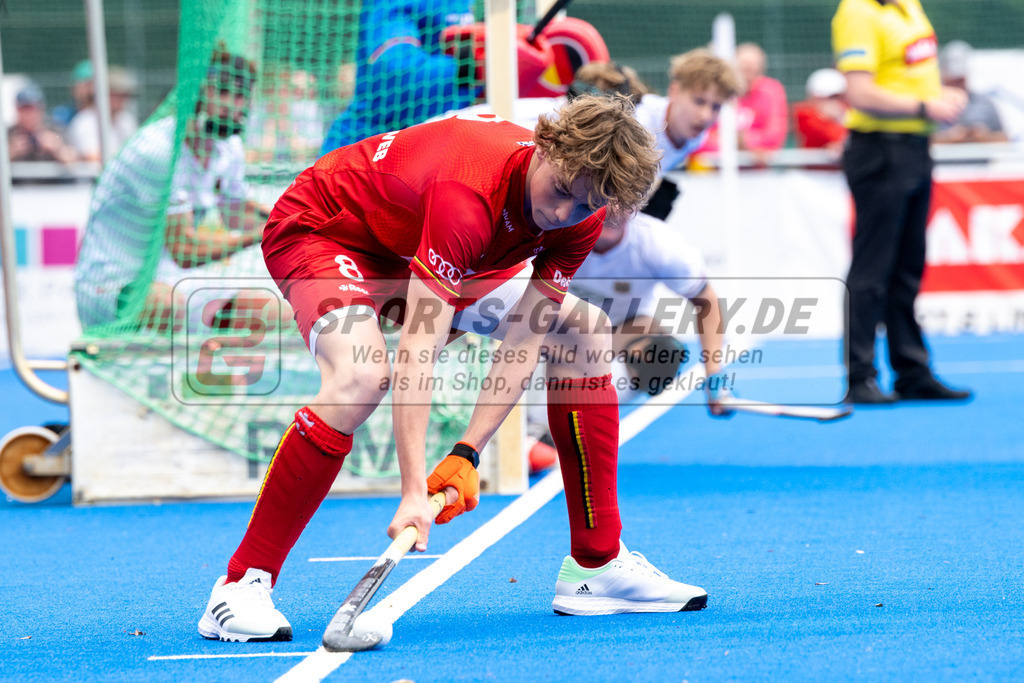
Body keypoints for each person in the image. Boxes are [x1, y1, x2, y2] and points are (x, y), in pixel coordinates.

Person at [198, 94, 710, 643]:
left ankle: (596, 566)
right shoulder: (467, 194)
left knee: (581, 328)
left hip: (412, 244)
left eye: (583, 207)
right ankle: (239, 585)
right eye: (561, 192)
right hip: (325, 232)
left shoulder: (581, 214)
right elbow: (419, 349)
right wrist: (414, 490)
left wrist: (467, 452)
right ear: (547, 147)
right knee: (360, 376)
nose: (564, 215)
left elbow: (523, 340)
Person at [832, 0, 972, 403]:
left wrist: (938, 95)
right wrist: (927, 105)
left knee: (907, 267)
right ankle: (860, 376)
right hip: (879, 150)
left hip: (915, 147)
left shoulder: (909, 5)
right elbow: (859, 92)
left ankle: (911, 369)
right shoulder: (858, 11)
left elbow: (907, 75)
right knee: (872, 269)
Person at [74, 49, 271, 333]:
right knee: (167, 306)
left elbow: (236, 214)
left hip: (170, 279)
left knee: (272, 312)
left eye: (240, 96)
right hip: (110, 284)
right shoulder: (160, 150)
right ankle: (177, 376)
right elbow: (184, 250)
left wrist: (295, 218)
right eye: (222, 92)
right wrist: (261, 234)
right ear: (198, 94)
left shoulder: (228, 146)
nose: (232, 105)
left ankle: (221, 375)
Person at [697, 42, 788, 161]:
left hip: (758, 170)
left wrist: (745, 140)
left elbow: (774, 136)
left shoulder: (772, 91)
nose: (748, 70)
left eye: (752, 66)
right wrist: (733, 142)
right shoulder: (717, 91)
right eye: (743, 65)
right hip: (715, 167)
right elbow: (700, 137)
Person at [933, 40, 1007, 144]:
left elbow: (1005, 139)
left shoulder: (984, 103)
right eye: (953, 79)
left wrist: (984, 137)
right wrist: (948, 138)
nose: (957, 84)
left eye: (960, 79)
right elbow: (915, 143)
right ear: (943, 75)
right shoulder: (931, 106)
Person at [66, 65, 140, 162]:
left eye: (126, 95)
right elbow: (93, 157)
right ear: (103, 93)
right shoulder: (85, 121)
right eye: (118, 94)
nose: (123, 99)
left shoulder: (126, 119)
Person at [7, 83, 78, 164]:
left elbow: (74, 160)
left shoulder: (55, 130)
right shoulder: (7, 134)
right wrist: (10, 152)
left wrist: (57, 149)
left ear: (41, 108)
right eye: (25, 108)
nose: (29, 114)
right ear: (17, 109)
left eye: (33, 108)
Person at [793, 67, 849, 153]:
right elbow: (828, 135)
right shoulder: (804, 114)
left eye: (835, 97)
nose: (831, 102)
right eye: (826, 98)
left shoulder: (849, 111)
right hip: (816, 165)